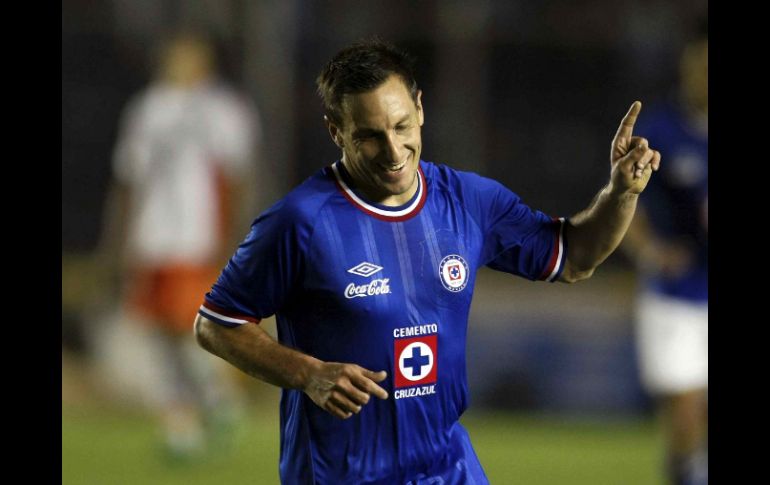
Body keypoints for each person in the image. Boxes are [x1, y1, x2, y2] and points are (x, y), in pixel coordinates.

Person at [195, 39, 660, 483]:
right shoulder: (299, 222)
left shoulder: (468, 201)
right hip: (344, 474)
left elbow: (574, 257)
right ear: (336, 131)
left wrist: (620, 193)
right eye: (371, 137)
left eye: (401, 127)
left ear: (420, 107)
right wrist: (308, 374)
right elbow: (216, 324)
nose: (394, 152)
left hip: (447, 468)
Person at [102, 30, 260, 459]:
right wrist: (119, 241)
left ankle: (213, 400)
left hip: (194, 239)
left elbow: (237, 177)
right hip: (150, 238)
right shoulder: (148, 108)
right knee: (160, 334)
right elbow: (129, 179)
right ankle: (186, 422)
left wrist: (235, 238)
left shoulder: (222, 110)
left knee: (189, 328)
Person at [622, 29, 708, 485]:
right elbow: (622, 201)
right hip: (675, 293)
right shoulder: (660, 129)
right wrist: (652, 250)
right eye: (699, 67)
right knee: (686, 409)